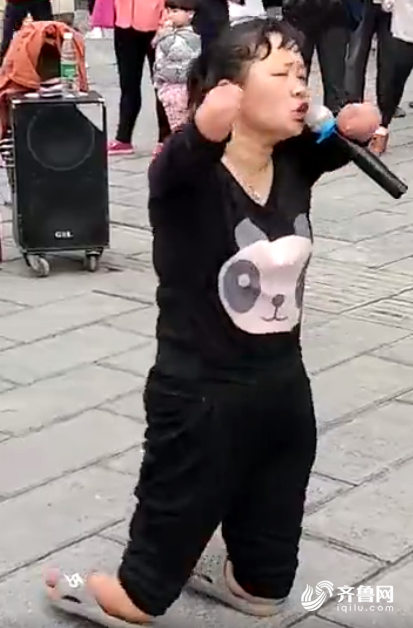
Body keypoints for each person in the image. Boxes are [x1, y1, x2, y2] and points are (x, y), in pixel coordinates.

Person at [44, 17, 379, 627]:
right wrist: (202, 126)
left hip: (283, 389)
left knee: (272, 540)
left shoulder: (293, 161)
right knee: (170, 520)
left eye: (302, 73)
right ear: (230, 90)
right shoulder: (189, 174)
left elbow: (337, 141)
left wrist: (357, 123)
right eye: (281, 73)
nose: (300, 86)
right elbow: (177, 165)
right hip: (199, 394)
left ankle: (252, 579)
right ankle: (128, 593)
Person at [108, 0, 171, 156]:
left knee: (162, 84)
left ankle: (165, 138)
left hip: (159, 23)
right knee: (127, 84)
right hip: (124, 21)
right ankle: (123, 137)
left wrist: (167, 19)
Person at [282, 0, 352, 115]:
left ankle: (334, 118)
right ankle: (291, 117)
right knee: (295, 75)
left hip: (334, 15)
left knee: (334, 80)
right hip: (297, 15)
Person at [345, 0, 405, 133]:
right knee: (357, 55)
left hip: (392, 7)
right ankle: (353, 103)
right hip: (362, 5)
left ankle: (387, 104)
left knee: (389, 58)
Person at [369, 0, 413, 154]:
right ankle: (382, 128)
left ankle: (382, 127)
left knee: (394, 80)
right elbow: (386, 5)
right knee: (393, 80)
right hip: (403, 30)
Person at [152, 0, 201, 133]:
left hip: (181, 89)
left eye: (175, 11)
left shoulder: (190, 37)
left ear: (190, 14)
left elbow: (175, 52)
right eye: (168, 11)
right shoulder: (171, 34)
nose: (170, 15)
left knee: (180, 126)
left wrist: (164, 35)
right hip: (168, 87)